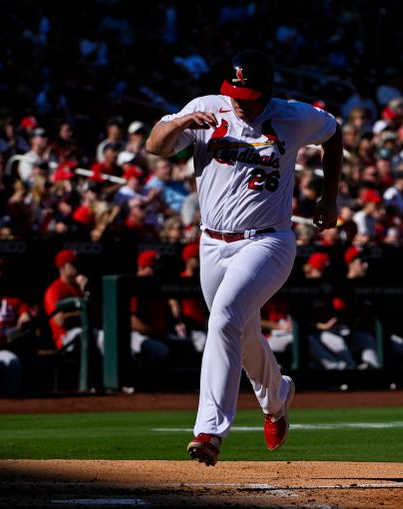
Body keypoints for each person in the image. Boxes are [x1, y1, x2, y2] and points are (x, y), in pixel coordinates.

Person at [146, 50, 342, 466]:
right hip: (212, 243)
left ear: (267, 91)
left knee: (224, 319)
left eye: (248, 95)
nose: (238, 101)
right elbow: (155, 147)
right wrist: (178, 122)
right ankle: (277, 396)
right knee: (240, 328)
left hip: (268, 241)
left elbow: (334, 133)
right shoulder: (204, 109)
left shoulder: (292, 115)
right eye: (234, 92)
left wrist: (329, 195)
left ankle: (209, 431)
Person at [0, 253, 34, 394]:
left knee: (12, 361)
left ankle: (10, 406)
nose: (0, 270)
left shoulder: (10, 298)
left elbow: (27, 311)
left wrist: (25, 314)